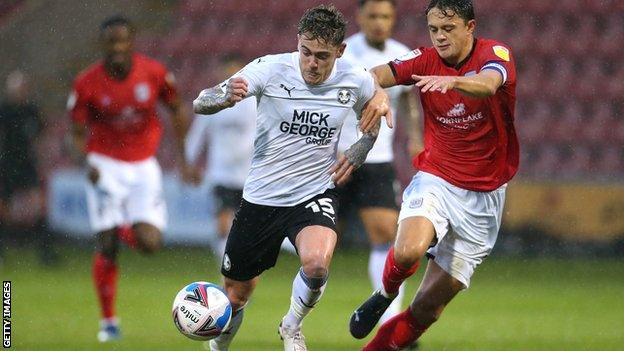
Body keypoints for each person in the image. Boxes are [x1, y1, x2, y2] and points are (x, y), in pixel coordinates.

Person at [192, 5, 391, 351]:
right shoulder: (269, 68)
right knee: (237, 294)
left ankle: (292, 325)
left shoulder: (355, 78)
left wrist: (362, 147)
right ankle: (218, 347)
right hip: (261, 198)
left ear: (340, 52)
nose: (312, 63)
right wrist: (221, 99)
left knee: (316, 265)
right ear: (297, 42)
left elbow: (373, 114)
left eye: (322, 56)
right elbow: (200, 102)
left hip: (314, 193)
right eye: (306, 52)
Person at [349, 0, 518, 349]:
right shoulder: (424, 59)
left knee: (427, 309)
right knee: (408, 250)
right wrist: (378, 90)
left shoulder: (495, 53)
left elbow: (488, 84)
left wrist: (452, 81)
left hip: (484, 198)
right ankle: (385, 292)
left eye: (449, 28)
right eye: (434, 30)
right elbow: (376, 73)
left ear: (470, 27)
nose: (440, 37)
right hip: (437, 178)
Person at [67, 15, 191, 342]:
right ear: (103, 44)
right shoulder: (86, 82)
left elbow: (177, 109)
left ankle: (119, 226)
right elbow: (75, 134)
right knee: (106, 245)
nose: (117, 47)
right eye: (111, 41)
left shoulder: (154, 74)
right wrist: (85, 162)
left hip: (143, 166)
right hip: (103, 164)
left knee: (150, 244)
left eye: (123, 40)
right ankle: (109, 322)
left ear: (132, 41)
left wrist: (183, 158)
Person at [337, 0, 422, 327]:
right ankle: (294, 321)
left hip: (378, 161)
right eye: (372, 15)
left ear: (393, 19)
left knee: (387, 235)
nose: (379, 22)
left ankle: (391, 318)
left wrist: (416, 137)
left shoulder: (402, 55)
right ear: (359, 17)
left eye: (385, 16)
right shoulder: (345, 54)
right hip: (337, 158)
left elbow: (410, 101)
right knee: (320, 246)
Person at [185, 53, 257, 261]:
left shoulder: (253, 102)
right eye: (226, 72)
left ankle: (243, 274)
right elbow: (197, 135)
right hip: (221, 174)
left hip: (248, 175)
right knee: (223, 227)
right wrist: (188, 164)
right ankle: (227, 273)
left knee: (246, 231)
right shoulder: (212, 101)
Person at [0, 70, 57, 266]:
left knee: (40, 207)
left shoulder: (31, 111)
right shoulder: (4, 111)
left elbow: (40, 135)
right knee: (4, 209)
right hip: (7, 165)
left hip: (27, 165)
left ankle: (46, 253)